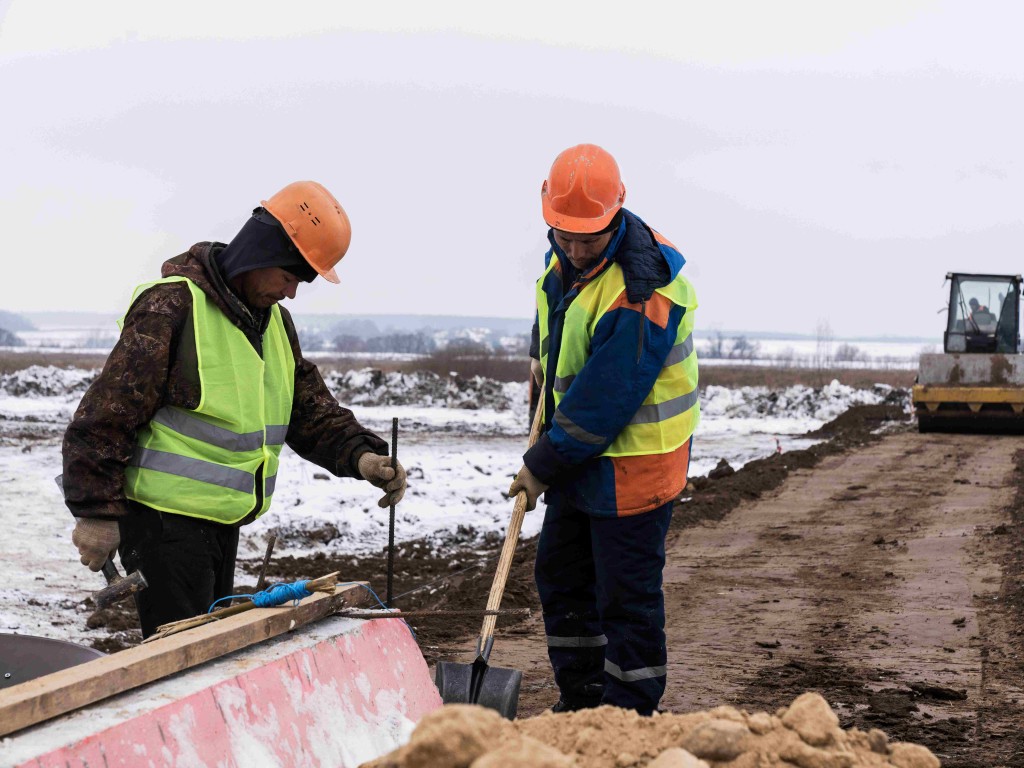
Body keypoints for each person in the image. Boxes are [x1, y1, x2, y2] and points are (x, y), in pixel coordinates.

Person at [63, 181, 407, 638]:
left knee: (203, 653)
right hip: (164, 528)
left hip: (221, 525)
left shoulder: (273, 325)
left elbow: (309, 411)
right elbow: (106, 415)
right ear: (260, 252)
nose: (291, 293)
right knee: (179, 662)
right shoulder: (172, 306)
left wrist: (363, 456)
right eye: (289, 277)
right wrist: (96, 511)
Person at [508, 144, 699, 715]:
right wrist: (539, 370)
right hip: (579, 458)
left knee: (626, 596)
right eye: (563, 234)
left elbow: (603, 400)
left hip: (634, 468)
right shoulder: (561, 260)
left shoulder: (646, 288)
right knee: (562, 578)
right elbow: (558, 332)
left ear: (616, 213)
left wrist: (541, 464)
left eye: (586, 238)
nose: (573, 247)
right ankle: (583, 701)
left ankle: (630, 715)